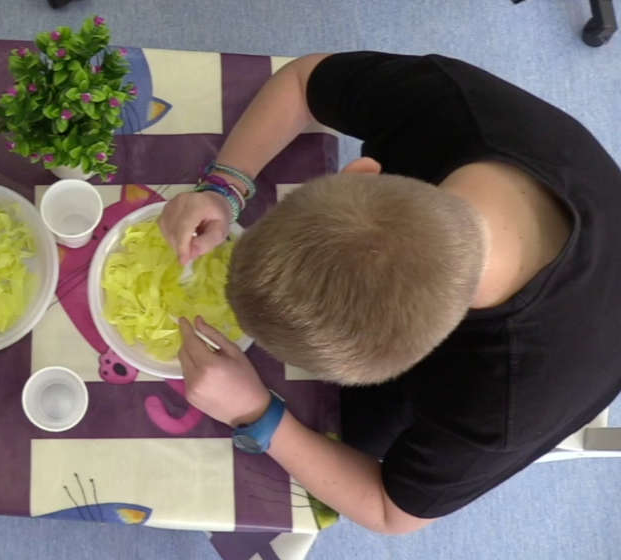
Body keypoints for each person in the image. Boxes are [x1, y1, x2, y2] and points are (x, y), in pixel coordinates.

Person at [159, 52, 621, 533]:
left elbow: (390, 513)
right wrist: (225, 187)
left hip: (582, 350)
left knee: (346, 431)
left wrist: (258, 414)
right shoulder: (445, 102)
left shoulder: (501, 406)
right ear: (361, 174)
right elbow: (301, 82)